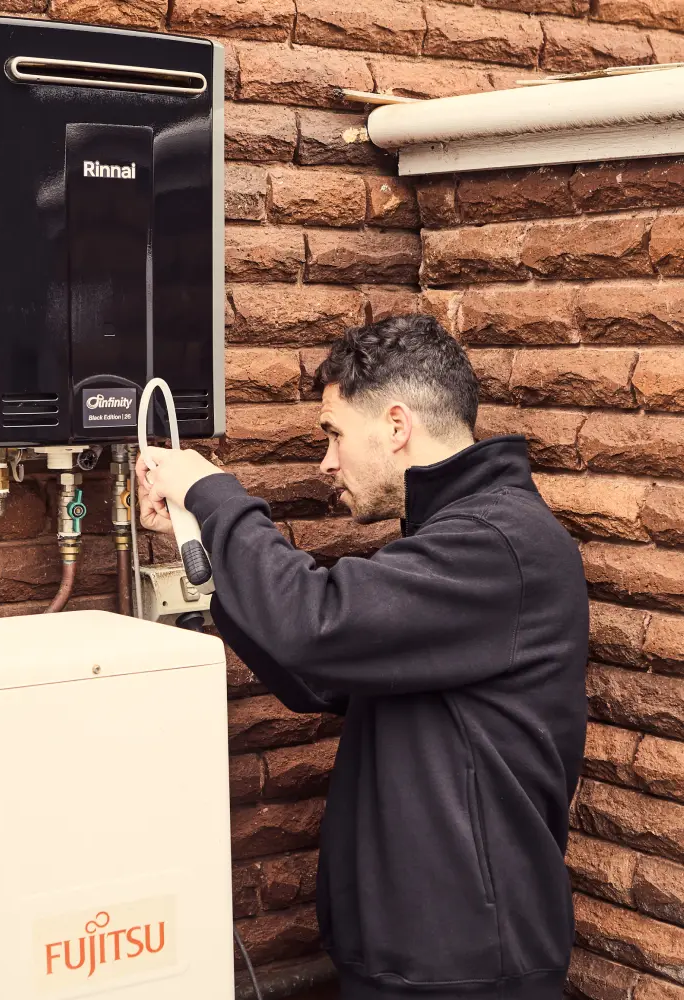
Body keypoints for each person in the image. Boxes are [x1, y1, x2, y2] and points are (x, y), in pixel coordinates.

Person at [136, 314, 588, 1000]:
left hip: (467, 968)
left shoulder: (497, 545)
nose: (326, 461)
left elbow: (314, 624)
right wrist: (201, 557)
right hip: (410, 957)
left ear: (398, 426)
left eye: (334, 434)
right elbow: (316, 674)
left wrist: (212, 491)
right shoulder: (447, 539)